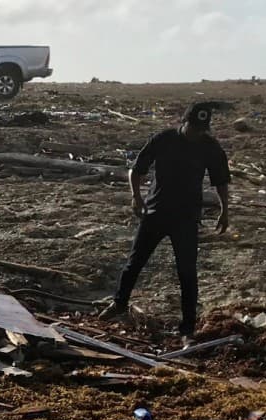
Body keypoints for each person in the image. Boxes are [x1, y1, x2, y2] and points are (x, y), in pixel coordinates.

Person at [98, 102, 231, 347]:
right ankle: (119, 304)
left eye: (202, 129)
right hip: (156, 212)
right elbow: (136, 170)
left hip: (187, 218)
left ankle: (187, 328)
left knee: (187, 274)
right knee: (135, 262)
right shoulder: (164, 139)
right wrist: (136, 197)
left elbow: (220, 180)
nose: (197, 133)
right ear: (184, 122)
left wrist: (224, 209)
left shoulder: (209, 147)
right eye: (193, 128)